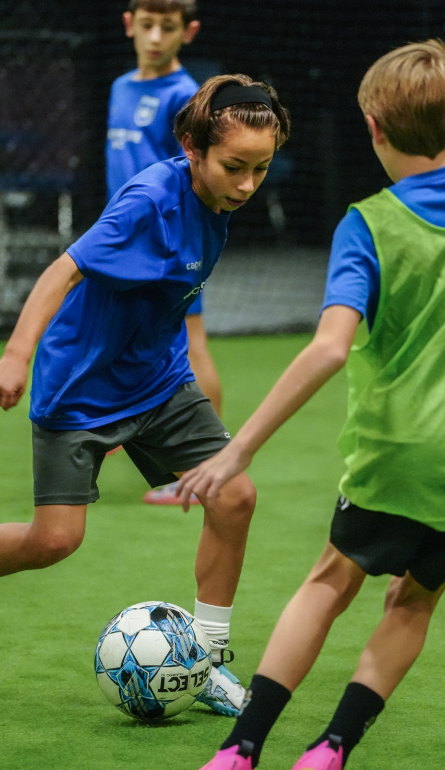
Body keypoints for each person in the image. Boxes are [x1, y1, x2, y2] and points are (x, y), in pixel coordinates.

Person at [177, 41, 445, 769]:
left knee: (329, 580)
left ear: (374, 127)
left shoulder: (368, 223)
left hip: (401, 456)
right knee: (415, 600)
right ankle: (333, 748)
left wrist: (238, 449)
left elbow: (327, 348)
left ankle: (242, 749)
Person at [0, 74, 290, 719]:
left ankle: (208, 662)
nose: (247, 185)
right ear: (192, 149)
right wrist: (17, 354)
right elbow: (62, 270)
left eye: (261, 169)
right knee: (54, 542)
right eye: (234, 167)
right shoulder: (147, 201)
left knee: (234, 495)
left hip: (158, 382)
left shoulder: (219, 203)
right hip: (81, 389)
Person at [107, 0, 222, 506]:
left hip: (169, 244)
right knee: (118, 336)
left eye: (168, 28)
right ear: (130, 24)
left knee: (190, 342)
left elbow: (191, 176)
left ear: (188, 32)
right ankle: (109, 431)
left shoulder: (184, 95)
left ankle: (205, 470)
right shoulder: (119, 87)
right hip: (124, 243)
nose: (155, 37)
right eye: (147, 25)